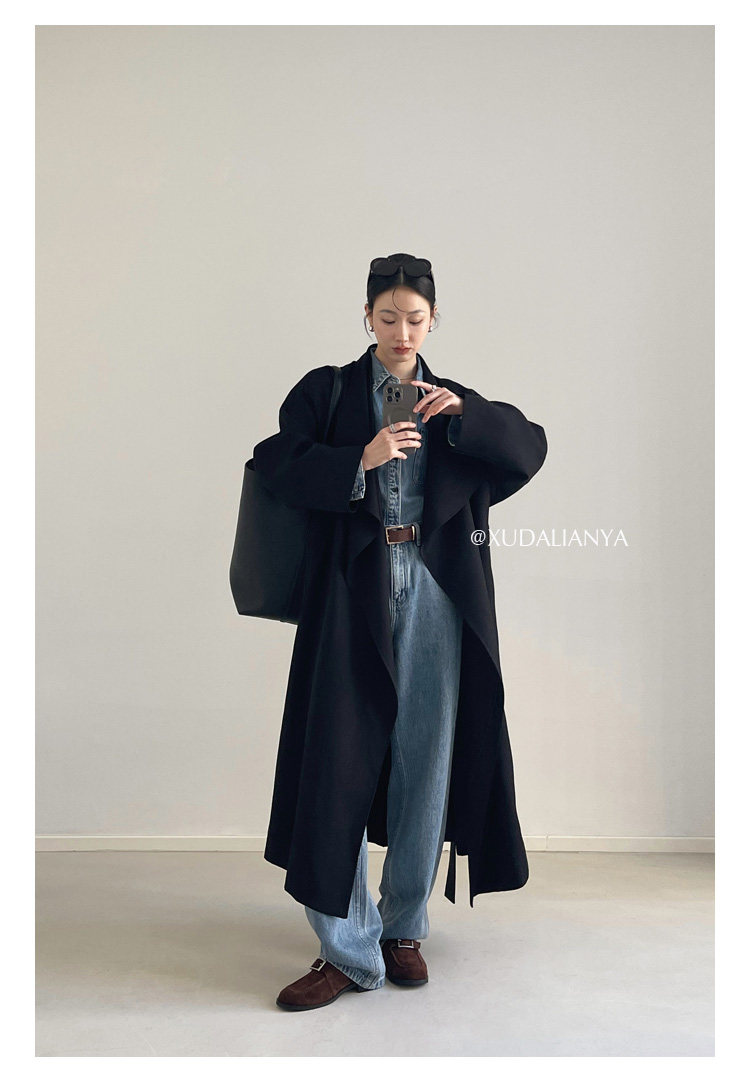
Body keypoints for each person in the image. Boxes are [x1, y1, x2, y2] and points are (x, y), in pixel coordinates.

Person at [250, 254, 548, 1011]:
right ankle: (346, 949)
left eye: (415, 319)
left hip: (438, 589)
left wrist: (465, 416)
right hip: (354, 589)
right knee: (337, 757)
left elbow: (529, 449)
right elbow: (275, 461)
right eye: (388, 318)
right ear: (367, 318)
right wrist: (359, 458)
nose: (402, 332)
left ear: (434, 320)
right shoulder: (326, 391)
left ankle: (403, 929)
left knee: (427, 756)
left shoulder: (449, 401)